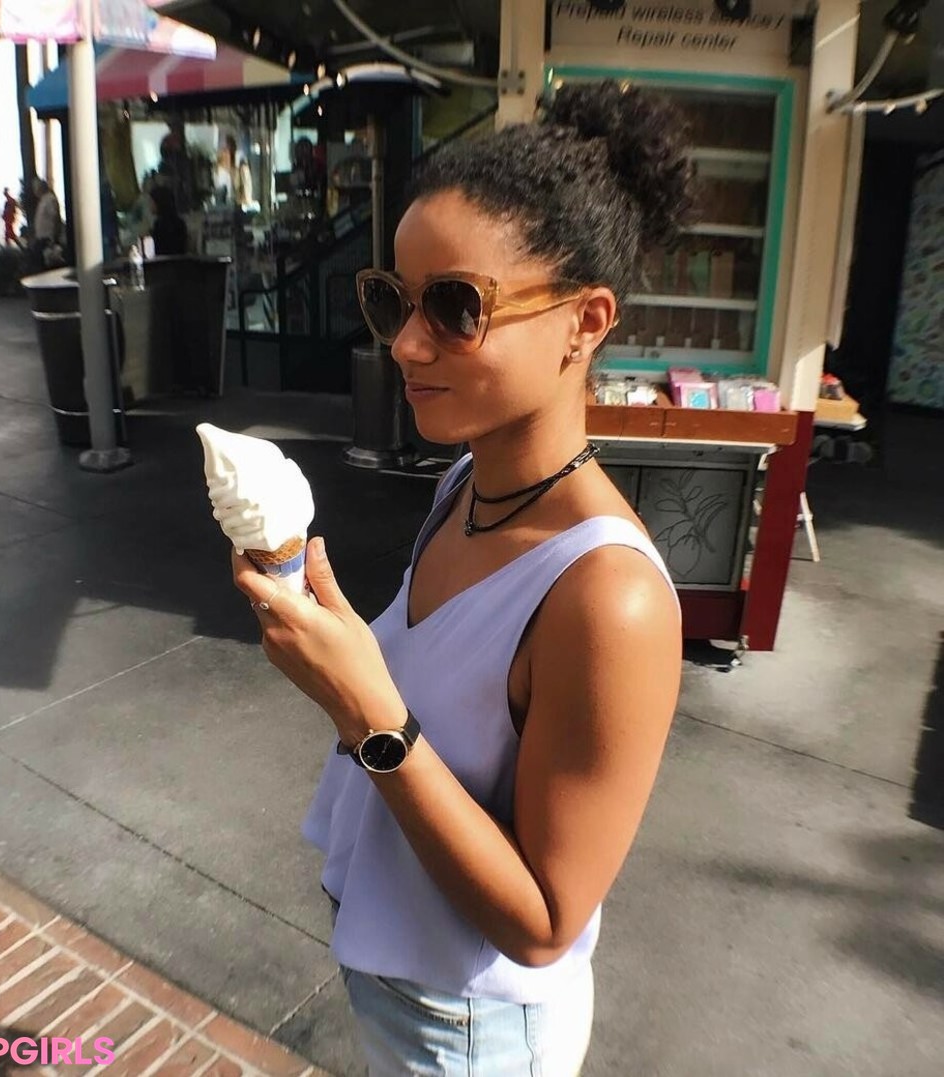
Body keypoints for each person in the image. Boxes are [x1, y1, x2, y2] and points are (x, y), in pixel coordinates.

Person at [230, 80, 692, 1075]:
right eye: (392, 300)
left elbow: (544, 922)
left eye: (454, 306)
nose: (405, 342)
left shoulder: (608, 599)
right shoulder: (463, 484)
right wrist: (328, 646)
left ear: (585, 321)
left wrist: (366, 712)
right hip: (393, 969)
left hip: (472, 1031)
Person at [149, 186, 187, 256]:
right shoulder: (180, 222)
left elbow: (159, 251)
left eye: (152, 202)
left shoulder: (159, 225)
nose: (150, 205)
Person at [31, 178, 62, 265]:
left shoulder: (50, 200)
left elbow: (55, 218)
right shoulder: (42, 200)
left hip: (48, 239)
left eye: (36, 188)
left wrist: (53, 239)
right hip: (41, 238)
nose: (34, 191)